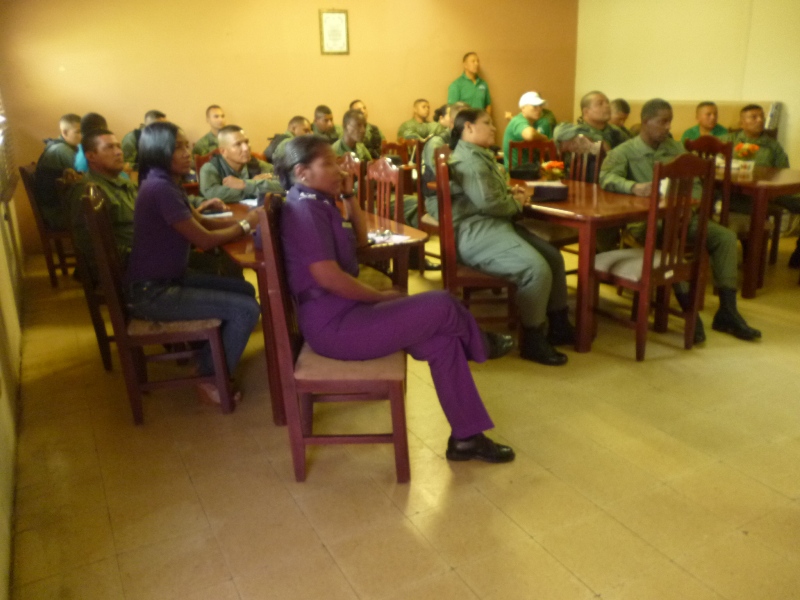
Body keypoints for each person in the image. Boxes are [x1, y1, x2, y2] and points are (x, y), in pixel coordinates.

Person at [276, 135, 514, 463]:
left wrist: (348, 194)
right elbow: (329, 277)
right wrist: (378, 296)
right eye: (328, 163)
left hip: (347, 313)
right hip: (335, 327)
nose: (339, 168)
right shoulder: (304, 211)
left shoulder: (319, 201)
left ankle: (467, 439)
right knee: (443, 304)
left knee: (443, 341)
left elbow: (361, 243)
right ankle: (480, 344)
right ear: (302, 172)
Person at [599, 98, 762, 342]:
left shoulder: (675, 149)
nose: (668, 127)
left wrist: (690, 209)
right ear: (646, 121)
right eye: (662, 122)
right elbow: (605, 178)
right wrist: (633, 187)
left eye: (670, 122)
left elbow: (696, 183)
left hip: (684, 217)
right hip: (646, 223)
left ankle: (728, 311)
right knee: (671, 237)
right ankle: (689, 312)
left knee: (725, 237)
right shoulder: (625, 151)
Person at [125, 121, 261, 405]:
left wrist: (239, 223)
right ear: (159, 151)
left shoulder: (164, 182)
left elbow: (202, 224)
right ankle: (209, 376)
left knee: (246, 289)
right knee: (247, 309)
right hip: (154, 292)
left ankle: (209, 358)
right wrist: (246, 225)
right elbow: (205, 240)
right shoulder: (160, 188)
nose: (187, 152)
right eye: (178, 147)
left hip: (169, 278)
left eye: (186, 145)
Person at [449, 109, 575, 366]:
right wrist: (516, 202)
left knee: (553, 257)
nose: (494, 127)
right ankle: (532, 338)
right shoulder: (471, 161)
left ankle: (559, 325)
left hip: (493, 224)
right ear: (468, 128)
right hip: (477, 232)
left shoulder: (477, 154)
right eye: (487, 123)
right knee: (535, 269)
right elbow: (490, 204)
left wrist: (510, 194)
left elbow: (489, 196)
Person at [69, 128, 226, 279]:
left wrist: (201, 202)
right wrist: (146, 258)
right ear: (91, 156)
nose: (118, 152)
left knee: (218, 263)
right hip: (137, 268)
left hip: (154, 255)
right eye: (109, 147)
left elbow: (167, 199)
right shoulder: (89, 191)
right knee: (217, 266)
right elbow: (92, 245)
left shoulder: (123, 182)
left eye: (118, 146)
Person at [724, 104, 800, 267]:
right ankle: (751, 254)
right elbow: (717, 163)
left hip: (769, 192)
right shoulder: (729, 141)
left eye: (762, 117)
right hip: (737, 193)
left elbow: (783, 170)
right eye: (754, 117)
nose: (760, 120)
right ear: (742, 122)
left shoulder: (772, 145)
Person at [199, 125, 282, 203]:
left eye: (247, 142)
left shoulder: (256, 164)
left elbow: (283, 184)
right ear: (223, 151)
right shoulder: (210, 168)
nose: (246, 148)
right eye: (238, 144)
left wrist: (245, 184)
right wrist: (254, 187)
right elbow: (211, 196)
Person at [33, 113, 82, 228]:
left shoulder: (62, 147)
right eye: (78, 132)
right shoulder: (61, 150)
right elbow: (88, 178)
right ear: (65, 132)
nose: (83, 136)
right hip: (57, 215)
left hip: (59, 211)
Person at [421, 102, 468, 220]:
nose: (469, 124)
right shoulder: (437, 143)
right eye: (463, 120)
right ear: (452, 122)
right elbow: (442, 177)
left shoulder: (468, 140)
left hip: (465, 195)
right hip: (439, 198)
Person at [502, 91, 551, 171]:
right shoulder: (518, 121)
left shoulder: (536, 123)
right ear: (523, 108)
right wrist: (543, 138)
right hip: (516, 174)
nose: (539, 109)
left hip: (528, 172)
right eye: (534, 106)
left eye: (540, 106)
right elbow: (530, 135)